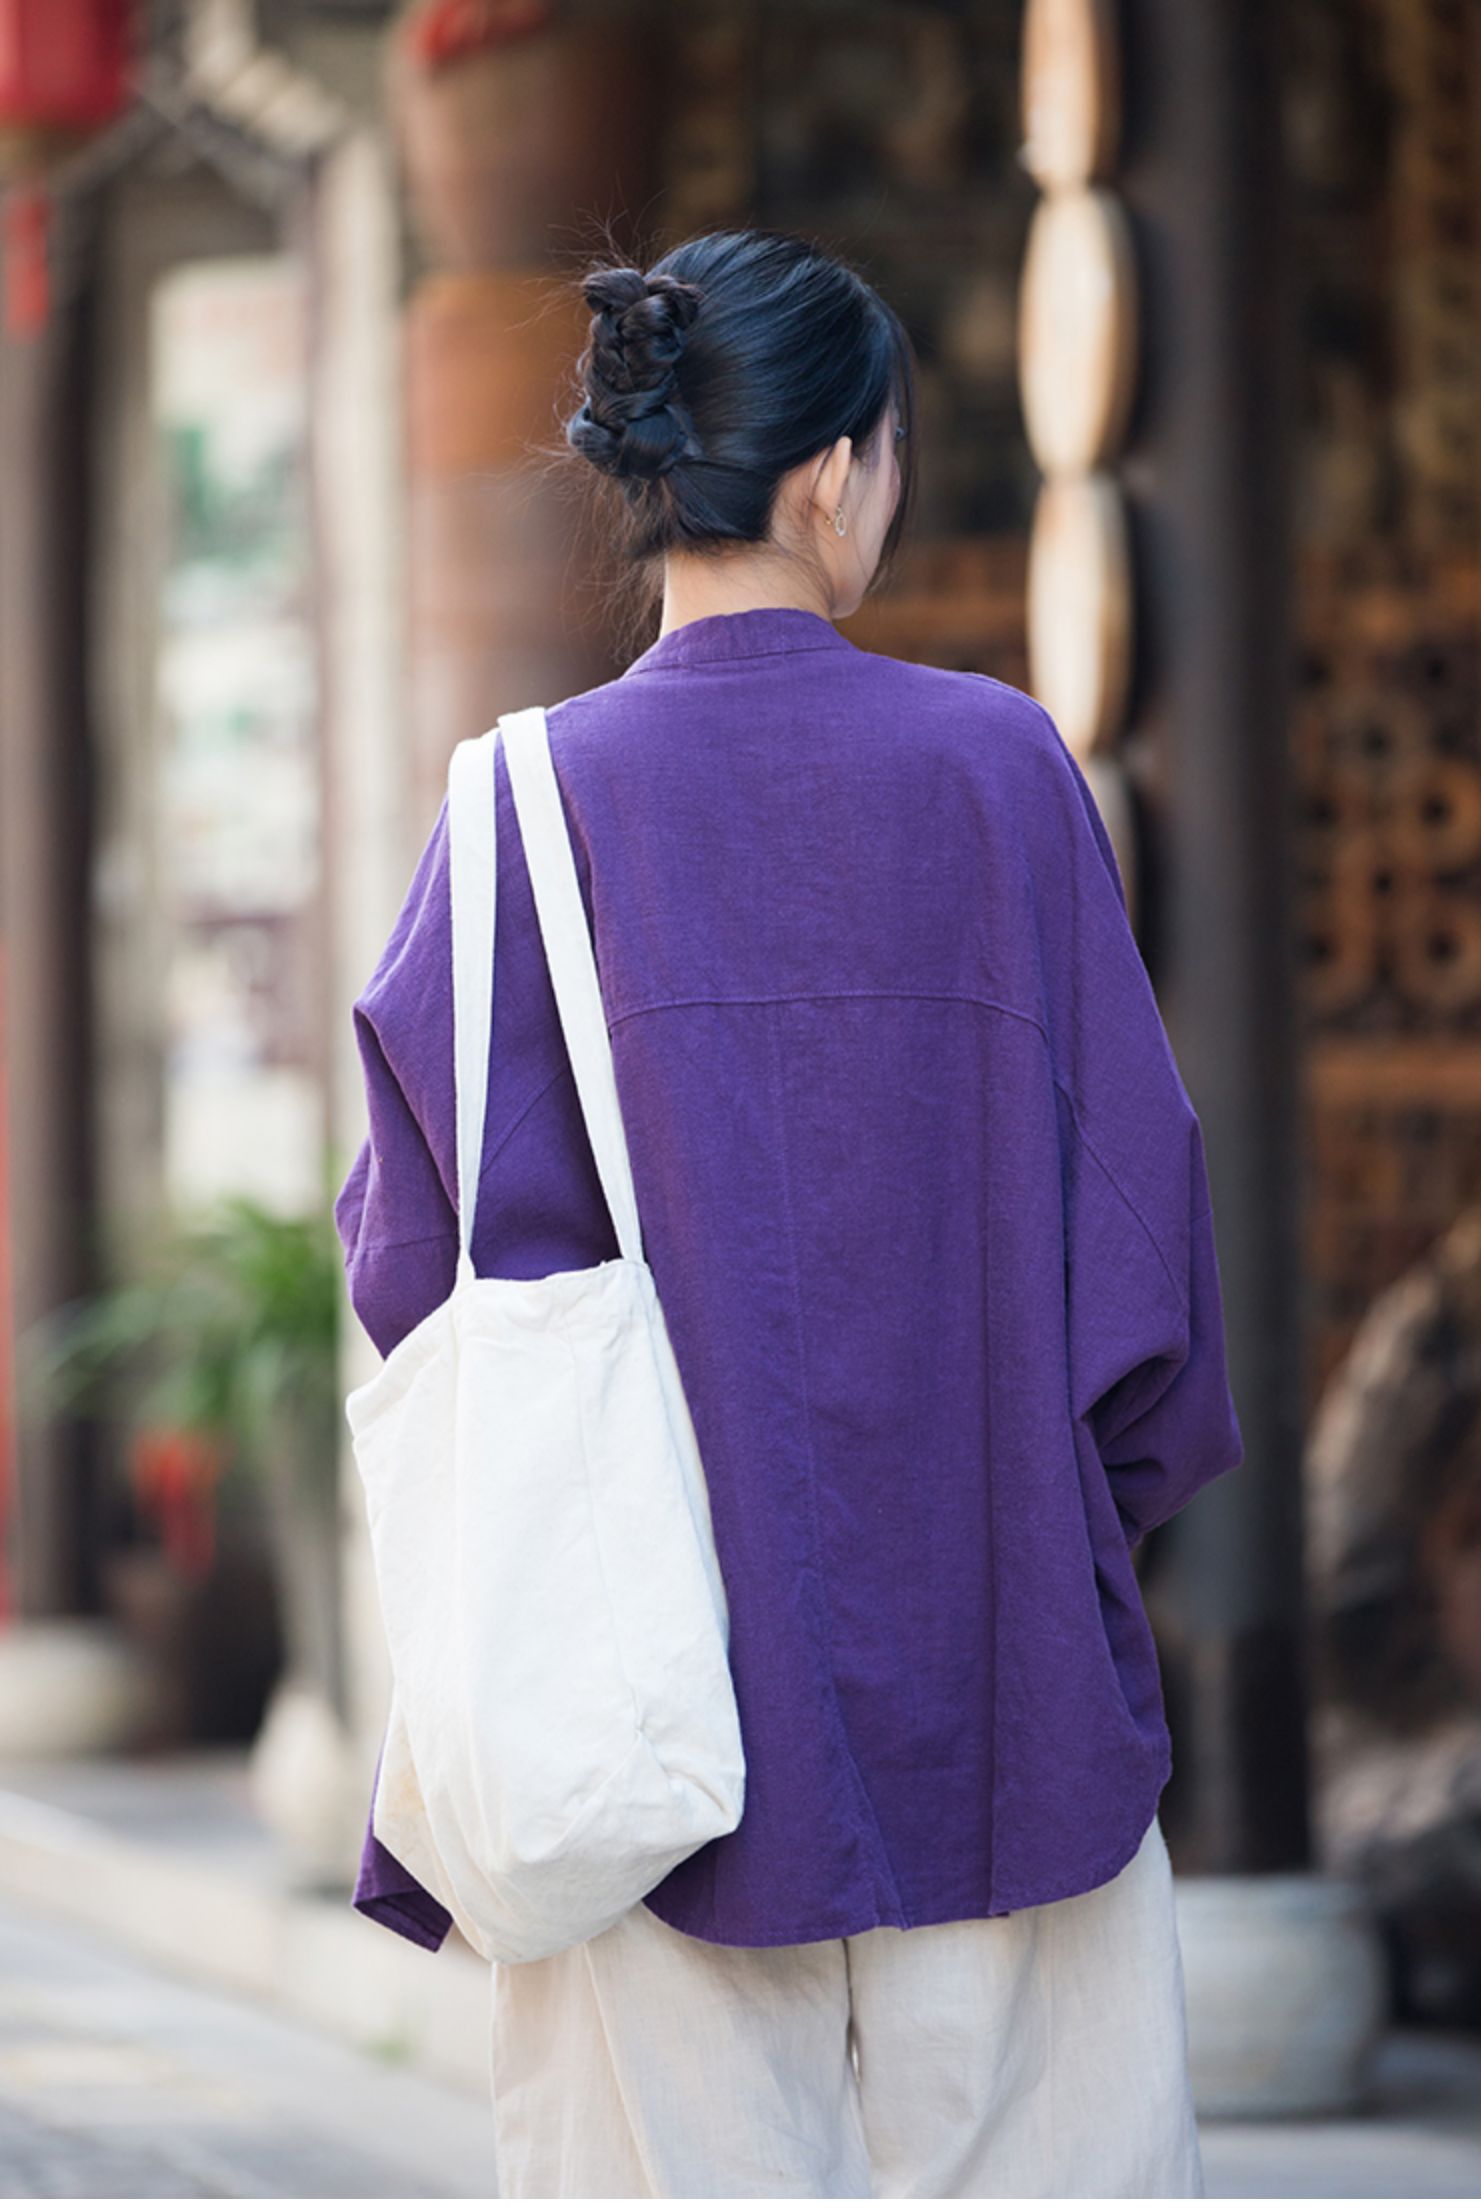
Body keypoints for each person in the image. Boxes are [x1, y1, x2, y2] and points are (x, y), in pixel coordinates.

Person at [334, 227, 1244, 2197]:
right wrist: (1055, 1541)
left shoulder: (519, 809)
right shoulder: (998, 772)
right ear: (835, 474)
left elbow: (414, 1264)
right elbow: (1142, 1261)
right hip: (1003, 1704)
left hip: (632, 1749)